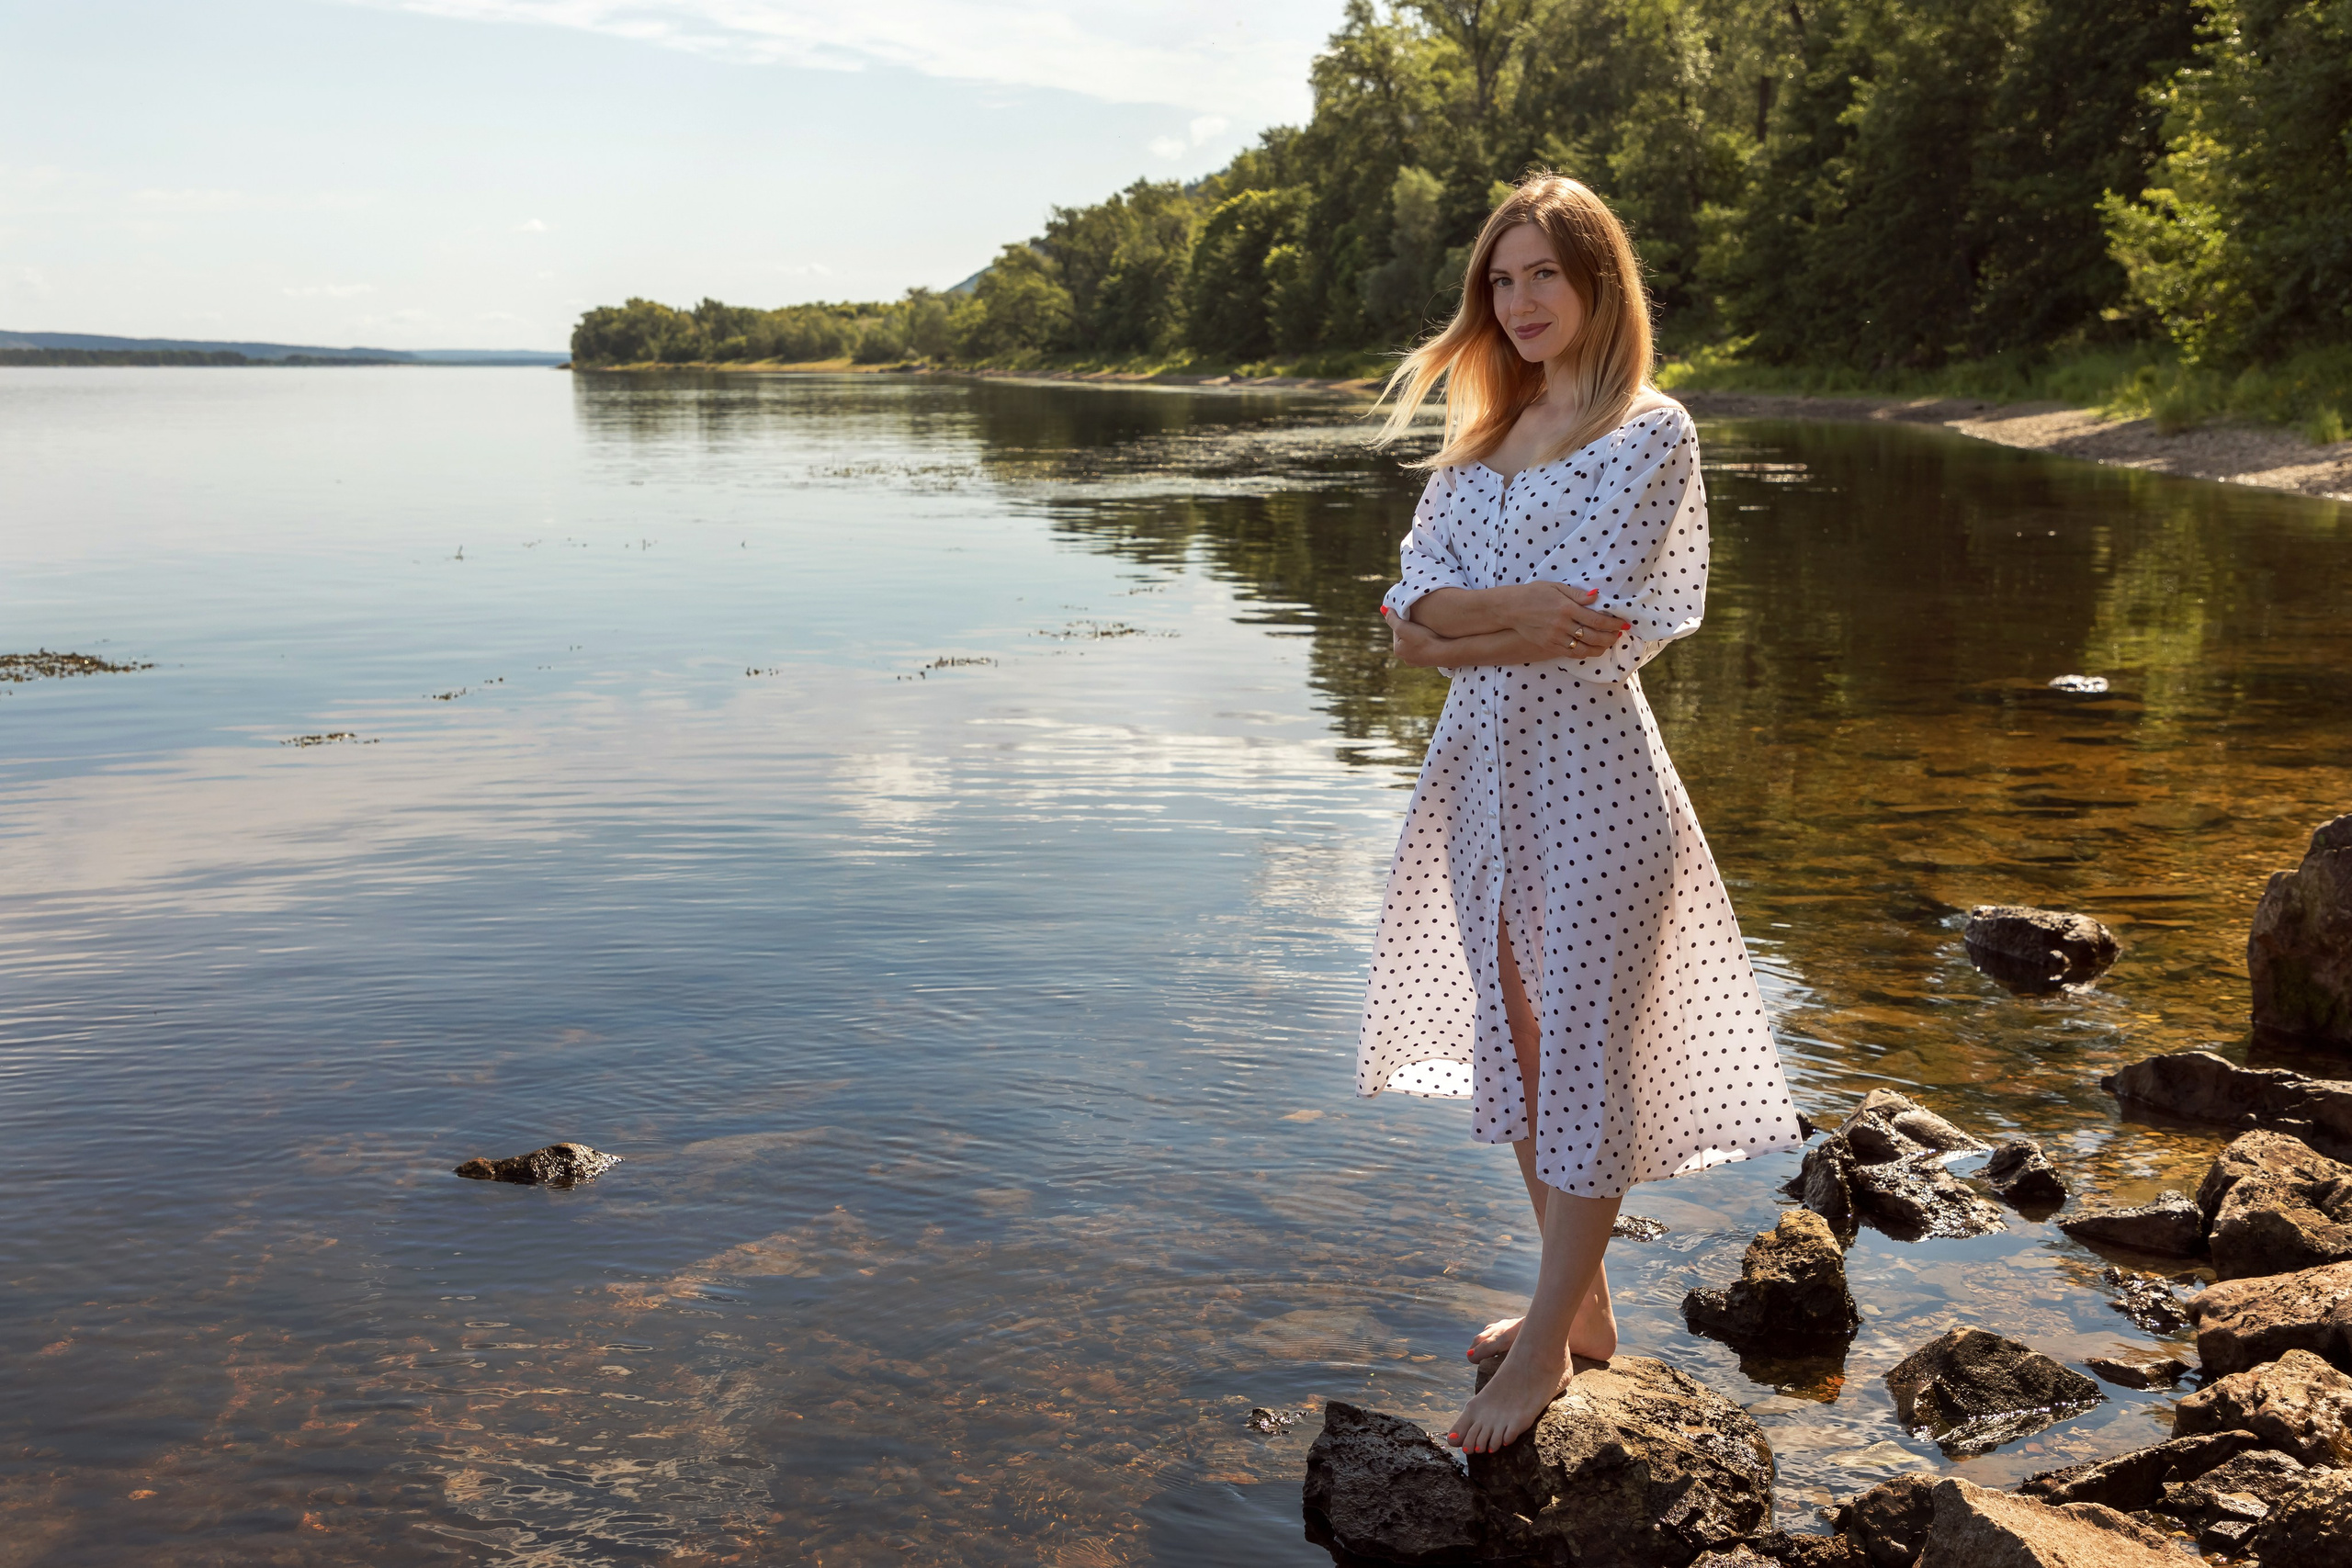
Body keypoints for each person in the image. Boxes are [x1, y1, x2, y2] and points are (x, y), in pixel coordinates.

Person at [1359, 173, 1800, 1455]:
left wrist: (1457, 624)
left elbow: (1595, 622)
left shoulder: (1652, 432)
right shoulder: (1478, 442)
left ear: (1598, 280)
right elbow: (1403, 621)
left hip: (1597, 786)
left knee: (1587, 1059)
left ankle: (1546, 1351)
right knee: (1524, 1048)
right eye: (1501, 279)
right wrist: (1488, 616)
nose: (1520, 299)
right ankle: (1586, 1307)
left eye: (1543, 271)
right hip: (1474, 788)